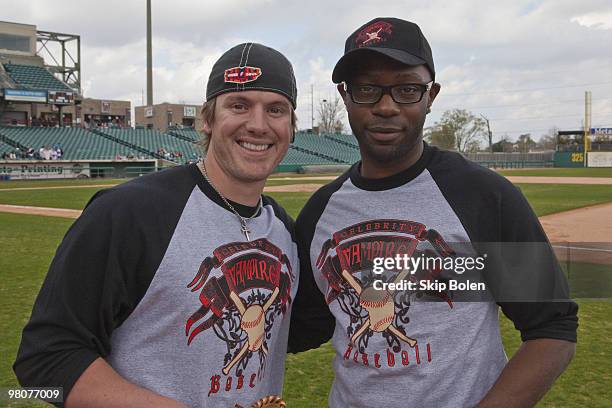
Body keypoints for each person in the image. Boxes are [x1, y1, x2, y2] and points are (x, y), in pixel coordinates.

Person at [289, 17, 577, 407]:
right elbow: (308, 326)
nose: (386, 106)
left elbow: (551, 328)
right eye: (367, 89)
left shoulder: (482, 196)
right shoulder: (321, 212)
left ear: (431, 95)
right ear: (345, 97)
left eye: (407, 89)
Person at [15, 42, 299, 408]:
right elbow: (44, 359)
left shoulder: (284, 230)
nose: (258, 124)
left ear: (291, 127)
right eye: (239, 105)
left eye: (275, 110)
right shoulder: (127, 213)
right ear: (207, 120)